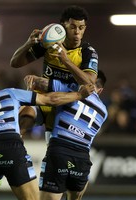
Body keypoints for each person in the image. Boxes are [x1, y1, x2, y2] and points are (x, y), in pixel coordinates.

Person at [24, 73, 107, 200]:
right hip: (82, 156)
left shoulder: (70, 90)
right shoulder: (104, 110)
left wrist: (32, 83)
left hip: (59, 149)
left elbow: (44, 88)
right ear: (101, 90)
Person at [10, 5, 98, 138]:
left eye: (81, 28)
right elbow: (15, 63)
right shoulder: (50, 44)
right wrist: (28, 43)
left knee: (53, 146)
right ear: (63, 26)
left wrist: (66, 61)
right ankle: (16, 141)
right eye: (73, 27)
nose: (77, 32)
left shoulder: (87, 52)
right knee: (24, 116)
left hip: (66, 103)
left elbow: (90, 83)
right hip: (44, 98)